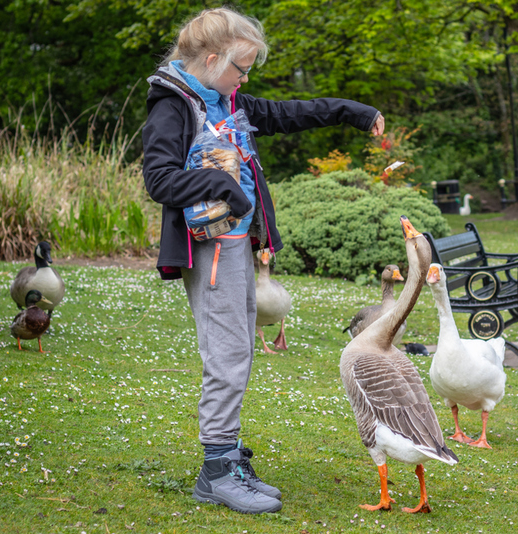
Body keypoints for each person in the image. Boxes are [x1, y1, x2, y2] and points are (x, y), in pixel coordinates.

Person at [142, 7, 384, 515]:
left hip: (233, 244)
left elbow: (291, 112)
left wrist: (352, 111)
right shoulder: (175, 106)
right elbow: (159, 179)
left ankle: (227, 457)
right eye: (241, 67)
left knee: (237, 353)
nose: (246, 78)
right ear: (212, 60)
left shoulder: (224, 98)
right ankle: (216, 473)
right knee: (228, 358)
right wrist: (223, 185)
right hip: (207, 250)